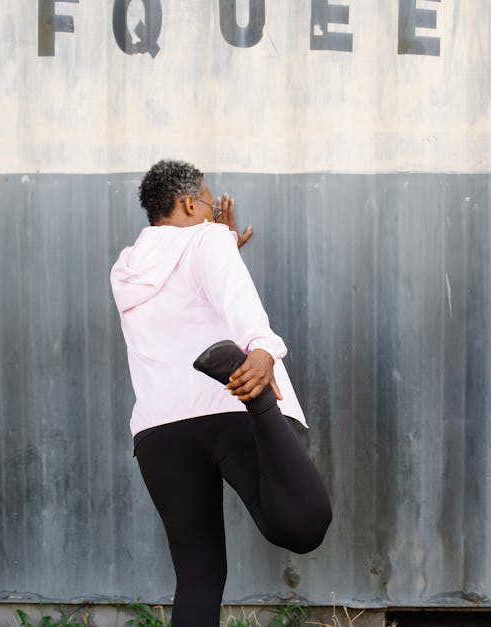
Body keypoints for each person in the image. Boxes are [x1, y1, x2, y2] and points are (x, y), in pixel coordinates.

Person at [110, 159, 332, 626]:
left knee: (198, 576)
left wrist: (224, 244)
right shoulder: (208, 239)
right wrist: (265, 349)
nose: (213, 211)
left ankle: (250, 392)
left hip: (159, 431)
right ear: (189, 202)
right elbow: (235, 299)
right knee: (304, 523)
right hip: (224, 406)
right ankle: (257, 399)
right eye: (208, 202)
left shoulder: (127, 268)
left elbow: (186, 298)